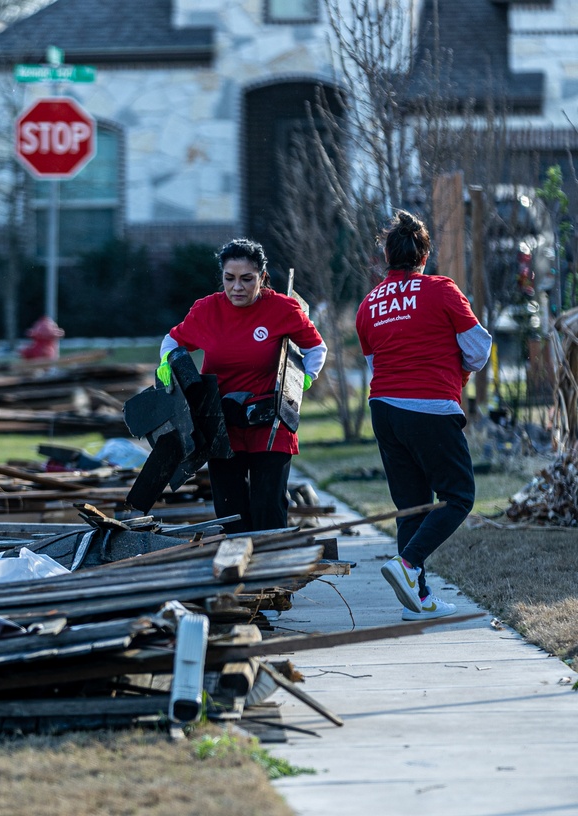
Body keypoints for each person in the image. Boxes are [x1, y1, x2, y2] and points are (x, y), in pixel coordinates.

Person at [356, 210, 492, 621]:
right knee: (459, 495)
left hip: (384, 408)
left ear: (385, 256)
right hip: (429, 404)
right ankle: (408, 563)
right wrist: (458, 371)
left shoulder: (368, 305)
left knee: (411, 506)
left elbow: (374, 365)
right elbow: (479, 349)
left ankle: (418, 600)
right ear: (425, 254)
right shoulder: (441, 290)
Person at [158, 238, 326, 534]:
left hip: (271, 423)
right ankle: (242, 575)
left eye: (247, 279)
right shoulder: (207, 310)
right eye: (230, 278)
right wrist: (167, 363)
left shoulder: (283, 309)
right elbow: (173, 340)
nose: (237, 287)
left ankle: (272, 572)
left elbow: (316, 348)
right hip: (221, 424)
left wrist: (303, 379)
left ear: (261, 277)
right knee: (230, 510)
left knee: (268, 506)